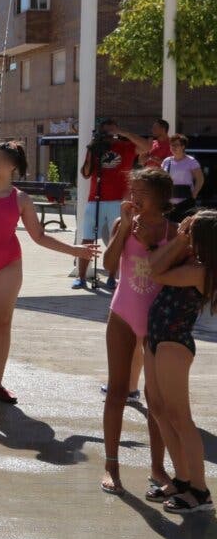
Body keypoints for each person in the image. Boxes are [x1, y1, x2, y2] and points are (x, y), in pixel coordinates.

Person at [0, 141, 98, 404]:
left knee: (0, 322)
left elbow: (39, 236)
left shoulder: (21, 199)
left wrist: (75, 251)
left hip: (8, 264)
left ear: (12, 165)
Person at [99, 169, 174, 496]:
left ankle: (158, 469)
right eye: (133, 191)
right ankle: (111, 464)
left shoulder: (174, 231)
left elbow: (171, 271)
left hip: (157, 321)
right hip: (122, 315)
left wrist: (151, 242)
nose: (134, 197)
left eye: (141, 192)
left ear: (161, 197)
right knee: (117, 391)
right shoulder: (123, 225)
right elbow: (109, 266)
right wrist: (125, 228)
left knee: (157, 400)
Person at [143, 211, 217, 513]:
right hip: (157, 338)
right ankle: (182, 479)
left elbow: (154, 271)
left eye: (190, 231)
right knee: (158, 408)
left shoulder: (201, 270)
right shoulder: (189, 262)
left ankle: (200, 491)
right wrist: (183, 241)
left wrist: (181, 239)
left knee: (179, 416)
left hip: (174, 343)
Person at [76, 119, 150, 290]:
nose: (108, 135)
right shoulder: (95, 148)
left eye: (111, 131)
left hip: (118, 201)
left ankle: (112, 277)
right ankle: (81, 277)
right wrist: (91, 150)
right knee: (87, 238)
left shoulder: (125, 146)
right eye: (105, 132)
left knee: (117, 239)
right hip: (95, 199)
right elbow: (86, 174)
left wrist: (123, 133)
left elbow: (147, 147)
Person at [163, 134, 204, 222]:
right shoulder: (166, 161)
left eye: (176, 145)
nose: (173, 147)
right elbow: (162, 179)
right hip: (169, 203)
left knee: (184, 229)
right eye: (172, 145)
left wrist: (194, 194)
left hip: (185, 202)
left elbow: (200, 179)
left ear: (183, 146)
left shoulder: (191, 161)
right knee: (169, 230)